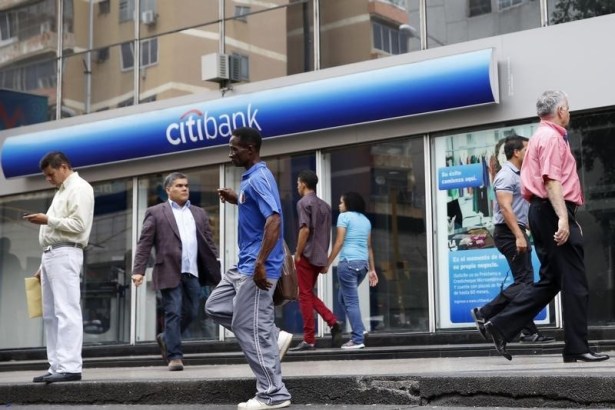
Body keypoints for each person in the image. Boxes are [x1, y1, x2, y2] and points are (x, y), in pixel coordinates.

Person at [483, 90, 610, 363]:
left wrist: (566, 217)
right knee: (575, 282)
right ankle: (577, 347)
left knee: (551, 280)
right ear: (561, 111)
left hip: (542, 211)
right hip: (551, 209)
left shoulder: (540, 136)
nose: (570, 113)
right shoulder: (551, 137)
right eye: (568, 107)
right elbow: (552, 181)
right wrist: (564, 218)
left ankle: (500, 325)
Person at [205, 127, 292, 410]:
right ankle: (269, 335)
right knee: (215, 306)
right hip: (243, 263)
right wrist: (236, 198)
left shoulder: (260, 178)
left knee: (247, 325)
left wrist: (260, 263)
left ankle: (273, 393)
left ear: (250, 149)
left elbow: (274, 219)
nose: (230, 153)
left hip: (256, 266)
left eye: (234, 148)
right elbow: (255, 205)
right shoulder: (251, 180)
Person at [132, 172, 220, 371]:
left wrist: (215, 268)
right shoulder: (156, 212)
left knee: (191, 311)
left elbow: (208, 243)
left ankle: (166, 337)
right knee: (173, 311)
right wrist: (139, 270)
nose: (184, 189)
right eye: (179, 185)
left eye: (186, 185)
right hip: (168, 269)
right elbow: (144, 243)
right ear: (168, 190)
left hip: (193, 270)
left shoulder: (199, 213)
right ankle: (175, 356)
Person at [471, 135, 555, 344]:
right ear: (516, 152)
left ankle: (528, 331)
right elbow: (505, 208)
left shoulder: (519, 174)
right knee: (525, 283)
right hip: (508, 233)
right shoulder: (506, 175)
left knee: (524, 283)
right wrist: (519, 234)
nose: (530, 152)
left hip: (515, 231)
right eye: (526, 149)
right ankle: (484, 312)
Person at [24, 151, 94, 383]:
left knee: (66, 310)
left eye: (50, 174)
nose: (48, 179)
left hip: (66, 251)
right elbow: (57, 232)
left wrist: (47, 220)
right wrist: (44, 263)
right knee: (51, 314)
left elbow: (78, 224)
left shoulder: (80, 188)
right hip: (54, 254)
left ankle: (70, 366)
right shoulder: (62, 191)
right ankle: (57, 365)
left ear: (63, 167)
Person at [289, 170, 342, 351]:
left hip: (306, 255)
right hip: (319, 256)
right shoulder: (325, 206)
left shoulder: (303, 203)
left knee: (303, 296)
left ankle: (309, 339)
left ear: (303, 184)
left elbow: (304, 230)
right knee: (308, 293)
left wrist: (298, 252)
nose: (297, 186)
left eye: (298, 183)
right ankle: (333, 322)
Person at [322, 191, 378, 349]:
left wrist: (327, 263)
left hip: (348, 264)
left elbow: (339, 242)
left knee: (351, 301)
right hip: (363, 266)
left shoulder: (344, 217)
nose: (339, 205)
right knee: (343, 298)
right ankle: (360, 329)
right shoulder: (366, 221)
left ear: (348, 204)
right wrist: (372, 269)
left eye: (341, 202)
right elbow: (369, 247)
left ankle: (358, 339)